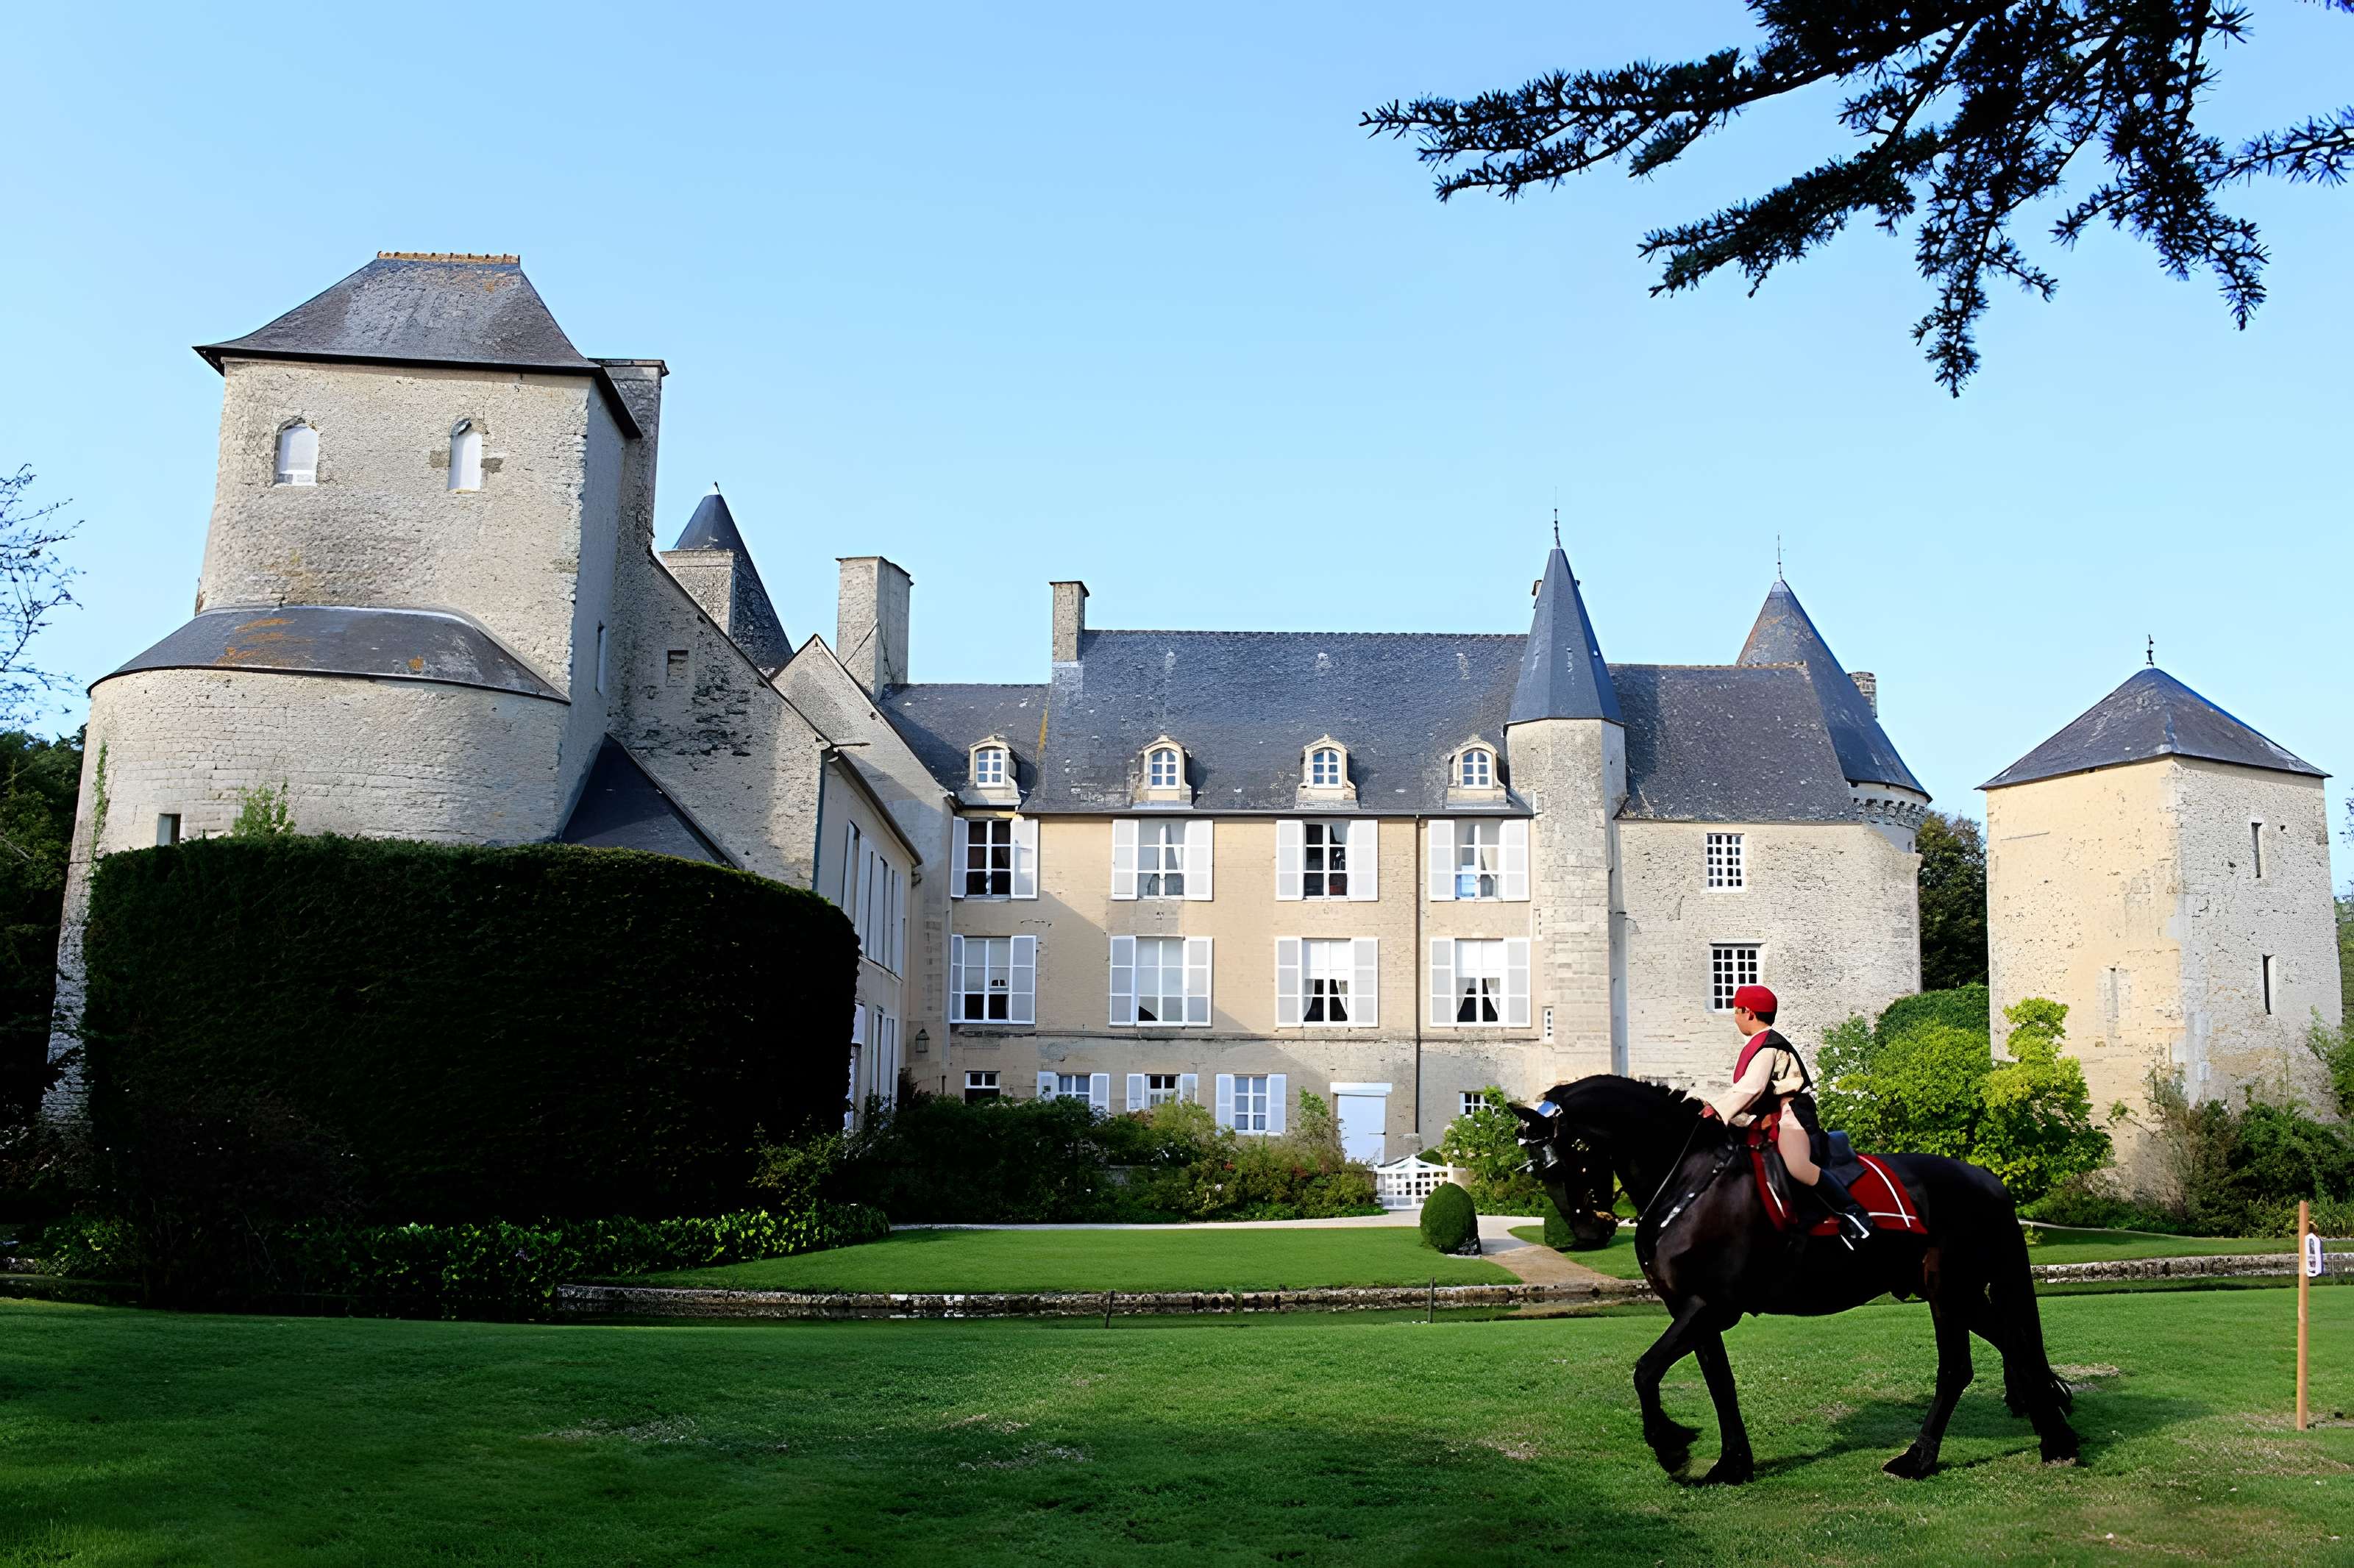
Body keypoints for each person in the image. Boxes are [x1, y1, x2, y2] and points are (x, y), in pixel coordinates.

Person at [1700, 983, 1874, 1250]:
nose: (1735, 1017)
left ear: (1749, 1013)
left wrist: (1717, 1110)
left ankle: (1853, 1213)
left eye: (1736, 1011)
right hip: (1768, 1117)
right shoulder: (1757, 1044)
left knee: (1797, 1166)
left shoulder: (1769, 1046)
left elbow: (1752, 1087)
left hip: (1791, 1115)